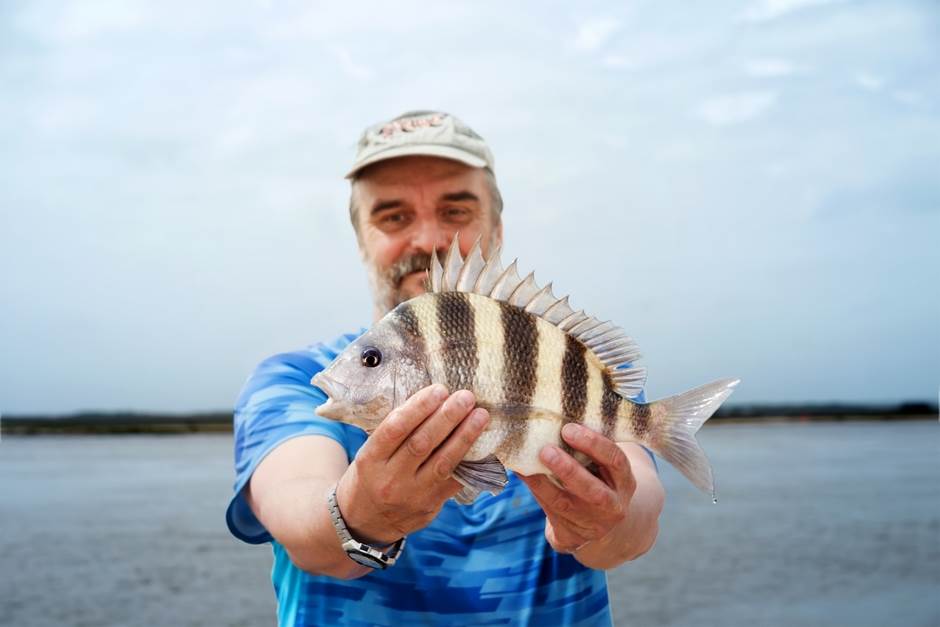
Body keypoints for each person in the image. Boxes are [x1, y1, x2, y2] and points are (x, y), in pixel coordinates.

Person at [226, 111, 665, 626]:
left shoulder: (569, 368)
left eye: (455, 210)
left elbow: (639, 514)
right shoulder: (295, 379)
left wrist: (603, 523)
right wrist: (363, 516)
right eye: (392, 216)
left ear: (496, 229)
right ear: (361, 237)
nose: (428, 238)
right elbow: (304, 525)